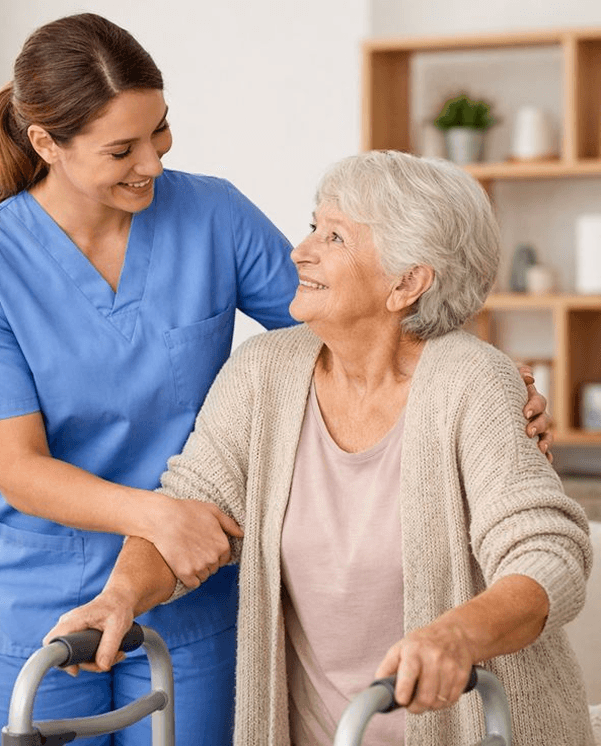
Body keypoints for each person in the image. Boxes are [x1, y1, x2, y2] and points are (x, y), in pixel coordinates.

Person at [46, 150, 593, 746]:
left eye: (335, 236)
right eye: (313, 226)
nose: (300, 251)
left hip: (476, 729)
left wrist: (458, 635)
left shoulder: (474, 383)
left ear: (406, 282)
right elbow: (192, 507)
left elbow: (546, 552)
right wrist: (119, 595)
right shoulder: (263, 372)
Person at [0, 13, 299, 746]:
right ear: (47, 144)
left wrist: (476, 380)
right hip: (38, 597)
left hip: (189, 590)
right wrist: (159, 516)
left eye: (160, 131)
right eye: (121, 149)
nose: (154, 163)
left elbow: (339, 330)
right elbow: (20, 470)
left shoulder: (215, 215)